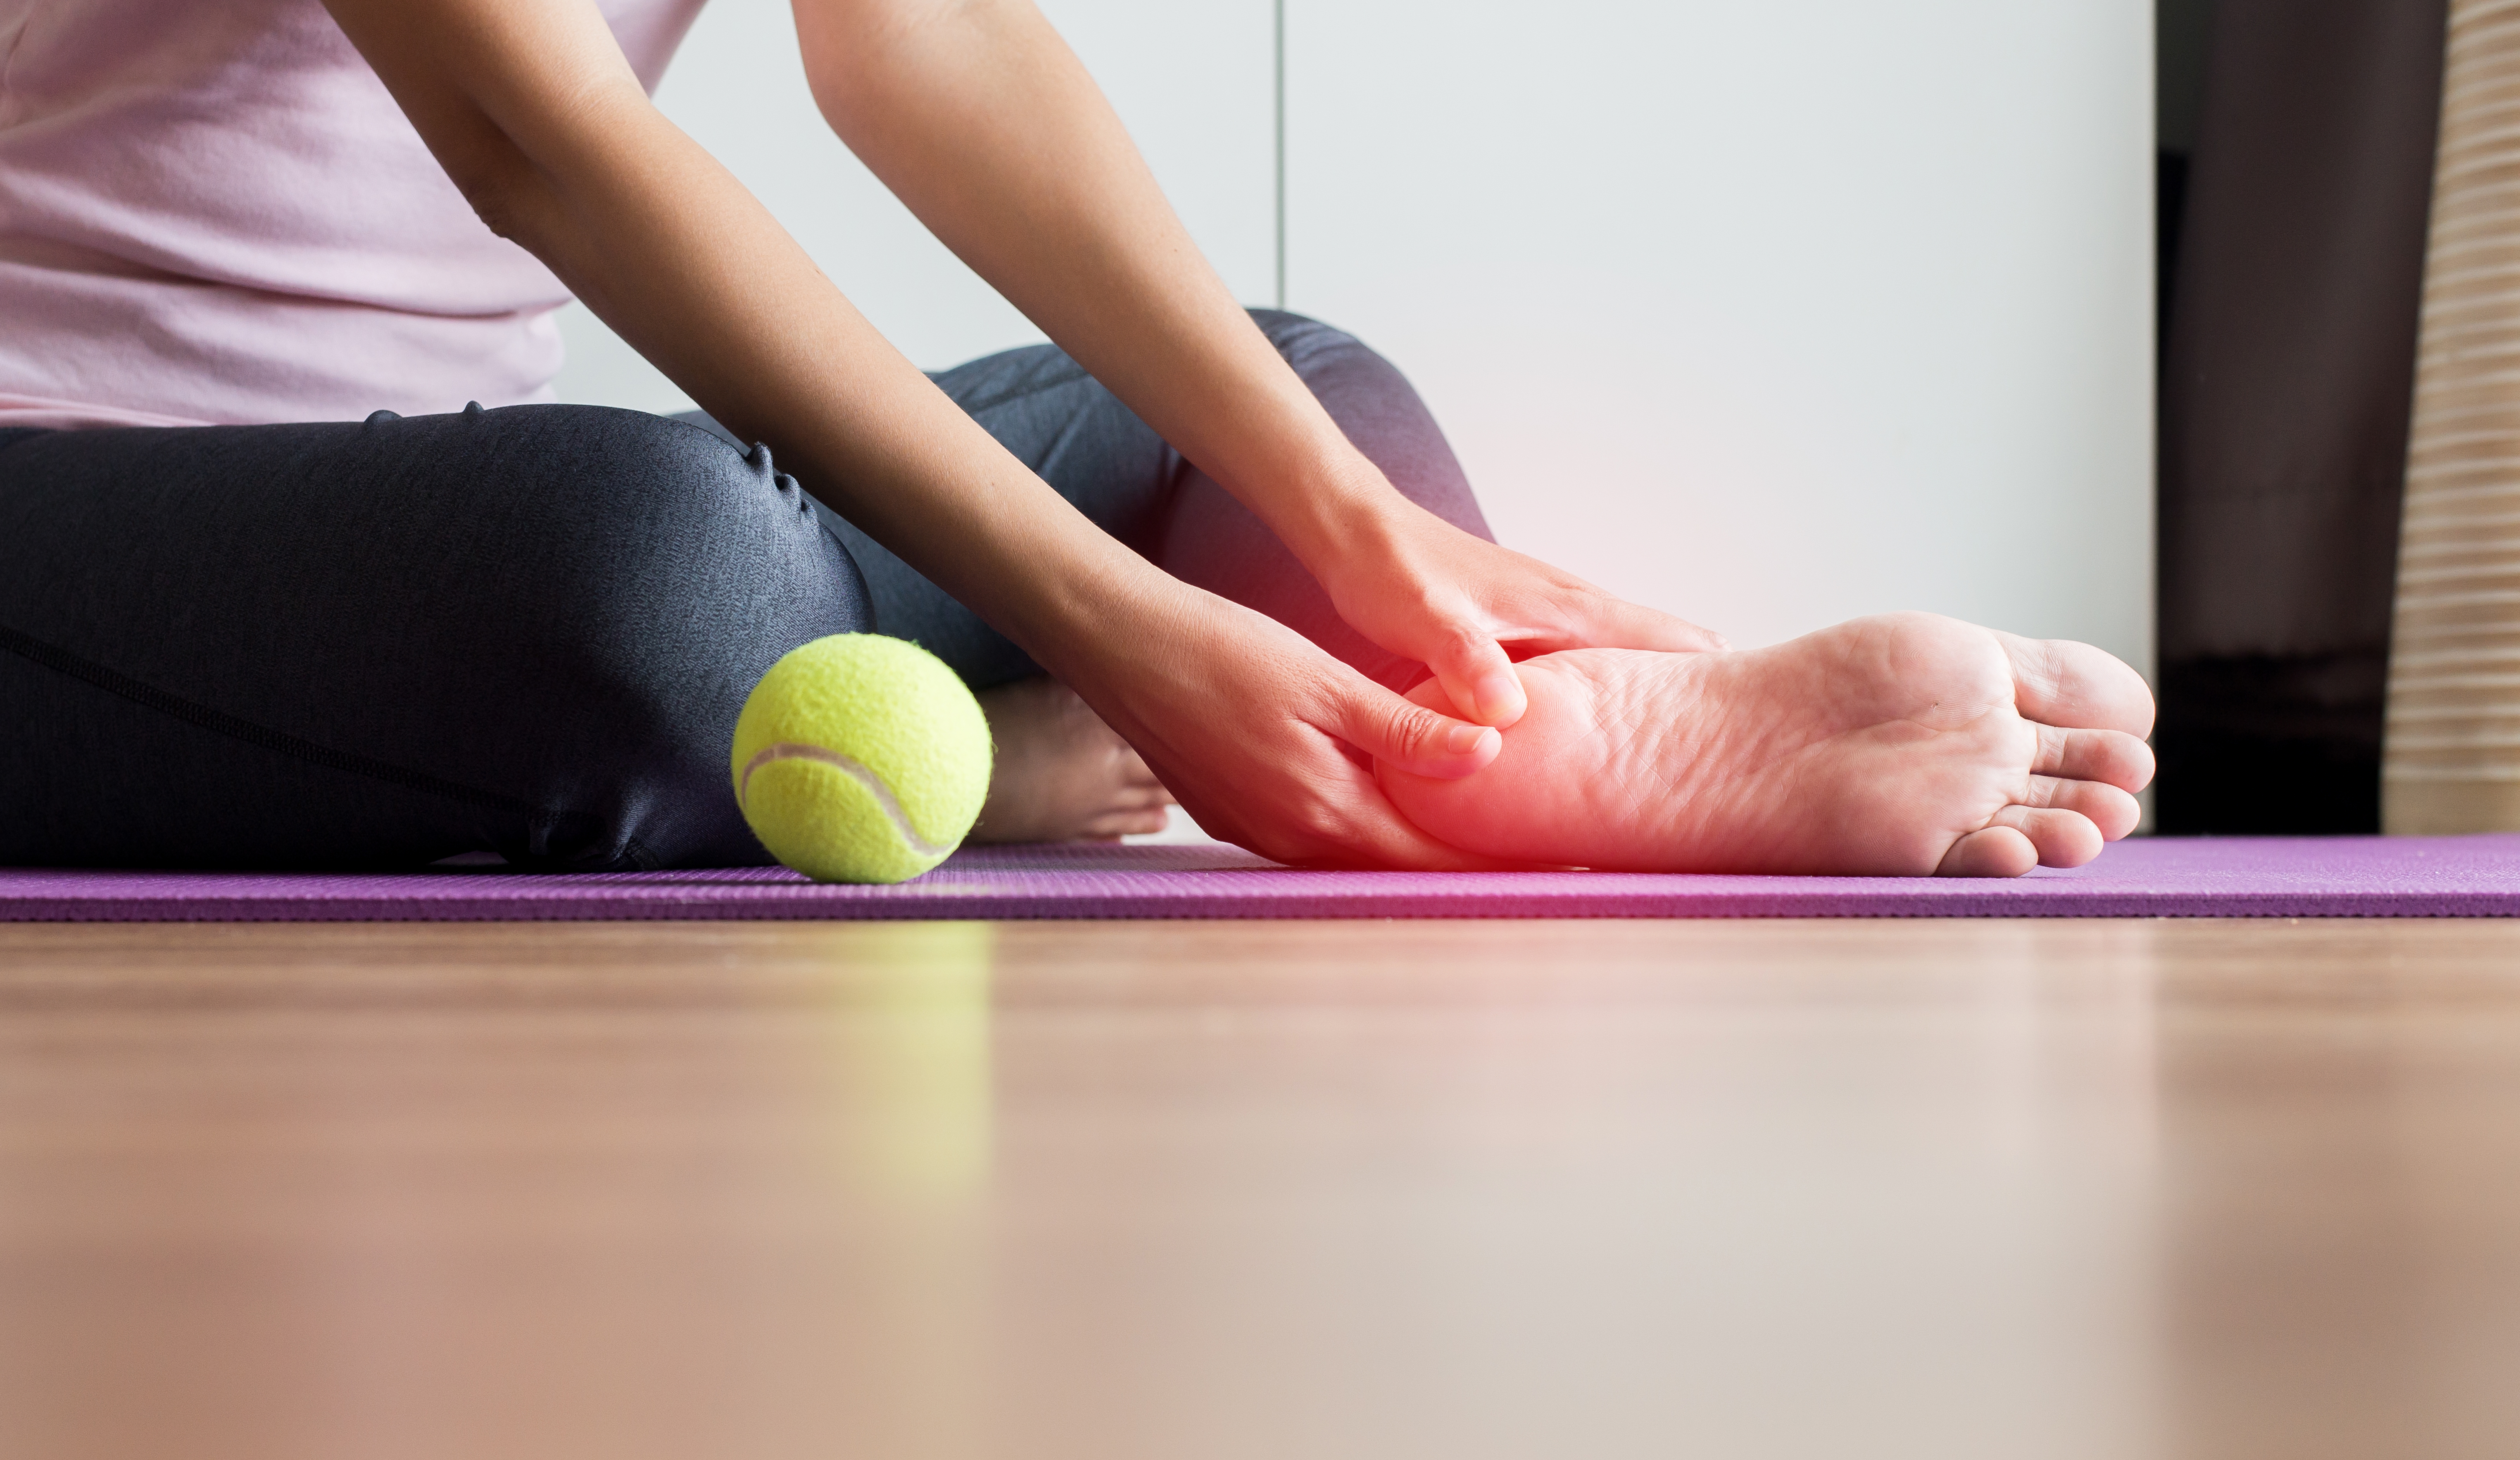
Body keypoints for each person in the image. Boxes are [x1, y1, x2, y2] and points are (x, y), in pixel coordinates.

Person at [0, 0, 2152, 876]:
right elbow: (533, 137)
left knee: (1299, 401)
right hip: (60, 494)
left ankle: (1482, 742)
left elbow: (926, 50)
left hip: (406, 484)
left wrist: (1330, 513)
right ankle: (991, 736)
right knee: (656, 572)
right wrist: (1111, 621)